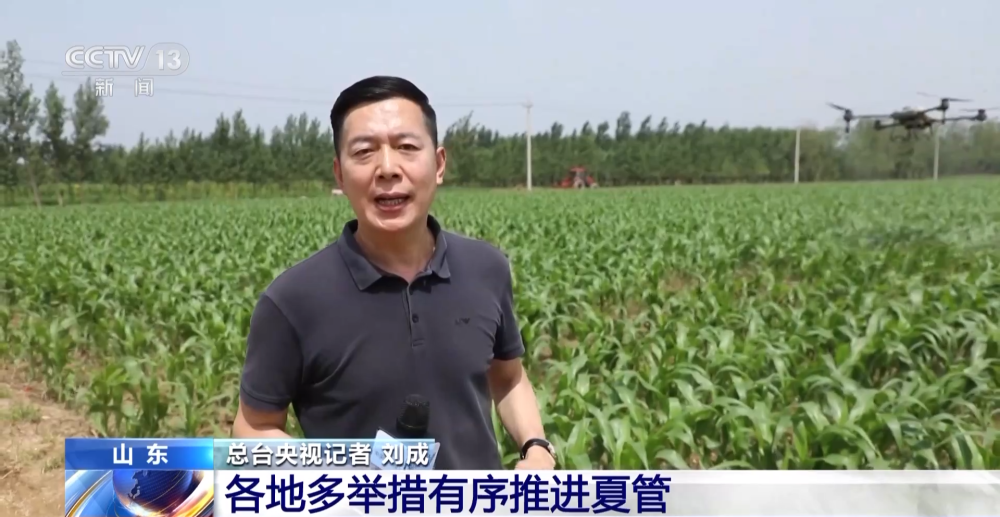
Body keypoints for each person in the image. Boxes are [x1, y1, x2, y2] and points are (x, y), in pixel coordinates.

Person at [232, 75, 556, 470]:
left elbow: (508, 378)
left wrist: (536, 447)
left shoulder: (486, 268)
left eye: (406, 147)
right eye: (364, 151)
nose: (387, 168)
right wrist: (344, 473)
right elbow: (253, 427)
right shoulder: (293, 300)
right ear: (339, 174)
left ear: (439, 164)